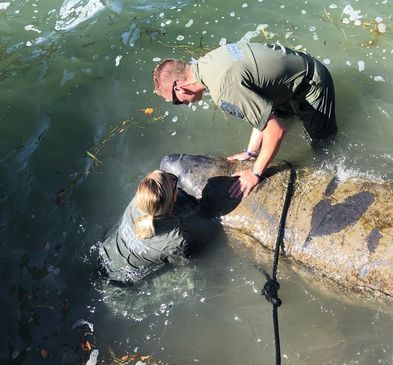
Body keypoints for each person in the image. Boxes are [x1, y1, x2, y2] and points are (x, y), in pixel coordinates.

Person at [152, 42, 337, 199]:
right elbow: (258, 110)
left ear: (180, 88)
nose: (183, 105)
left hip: (311, 84)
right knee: (273, 123)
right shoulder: (210, 62)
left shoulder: (224, 92)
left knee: (323, 146)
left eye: (176, 102)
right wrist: (250, 153)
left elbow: (276, 131)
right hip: (288, 78)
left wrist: (255, 173)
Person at [98, 170, 191, 285]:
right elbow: (185, 260)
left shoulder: (135, 202)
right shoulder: (176, 239)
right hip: (121, 280)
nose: (174, 180)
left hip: (103, 256)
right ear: (174, 198)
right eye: (173, 181)